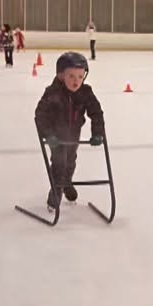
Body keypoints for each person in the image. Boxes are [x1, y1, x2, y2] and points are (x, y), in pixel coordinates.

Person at [35, 52, 105, 211]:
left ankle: (66, 182)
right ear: (61, 75)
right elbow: (40, 115)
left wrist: (97, 133)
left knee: (71, 161)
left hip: (74, 133)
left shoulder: (85, 92)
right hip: (56, 135)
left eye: (80, 76)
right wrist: (48, 135)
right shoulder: (53, 93)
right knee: (59, 162)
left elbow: (96, 112)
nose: (76, 81)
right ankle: (56, 189)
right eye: (71, 76)